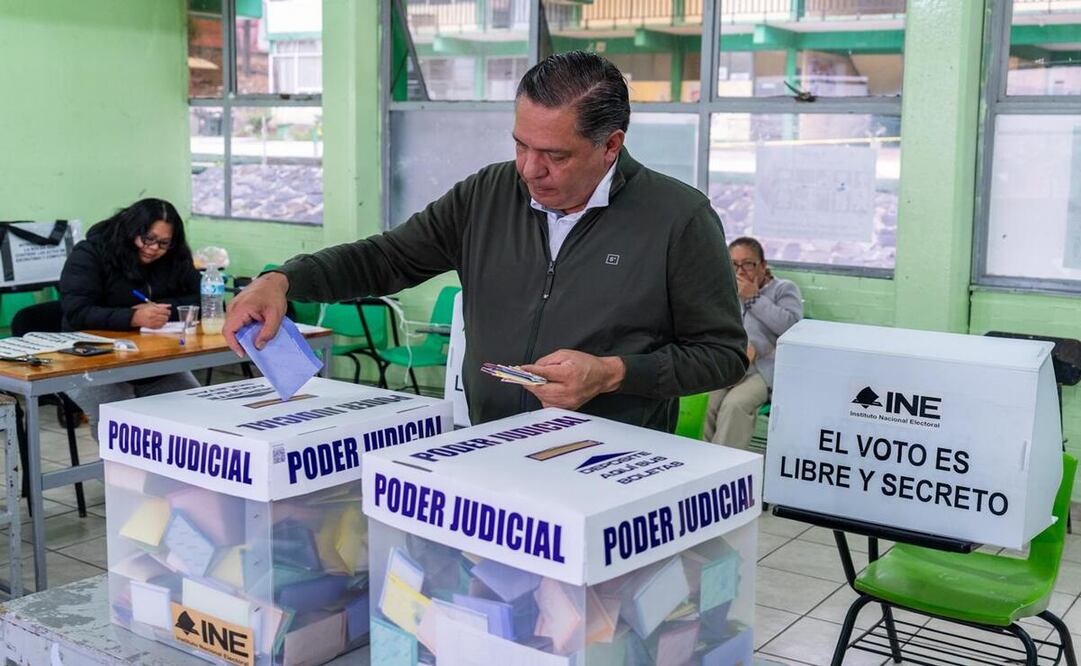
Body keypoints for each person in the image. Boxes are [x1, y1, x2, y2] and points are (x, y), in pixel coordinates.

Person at [225, 51, 748, 432]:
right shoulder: (487, 194)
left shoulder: (677, 218)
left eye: (555, 155)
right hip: (488, 446)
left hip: (607, 463)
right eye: (520, 145)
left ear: (610, 146)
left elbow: (722, 355)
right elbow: (387, 257)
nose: (529, 169)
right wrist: (283, 279)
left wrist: (612, 373)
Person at [59, 198, 202, 436]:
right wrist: (131, 318)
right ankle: (126, 473)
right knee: (121, 422)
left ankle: (169, 472)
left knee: (193, 409)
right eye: (148, 239)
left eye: (164, 243)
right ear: (130, 230)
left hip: (150, 358)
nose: (154, 248)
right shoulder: (90, 253)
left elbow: (201, 299)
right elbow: (77, 312)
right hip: (90, 360)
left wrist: (162, 311)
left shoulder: (174, 258)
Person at [704, 237, 802, 448]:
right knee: (707, 401)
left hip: (763, 370)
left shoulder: (783, 289)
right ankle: (704, 459)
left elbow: (792, 327)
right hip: (730, 363)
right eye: (733, 264)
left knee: (735, 405)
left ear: (762, 266)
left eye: (748, 264)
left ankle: (725, 467)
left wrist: (753, 298)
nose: (740, 271)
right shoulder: (725, 291)